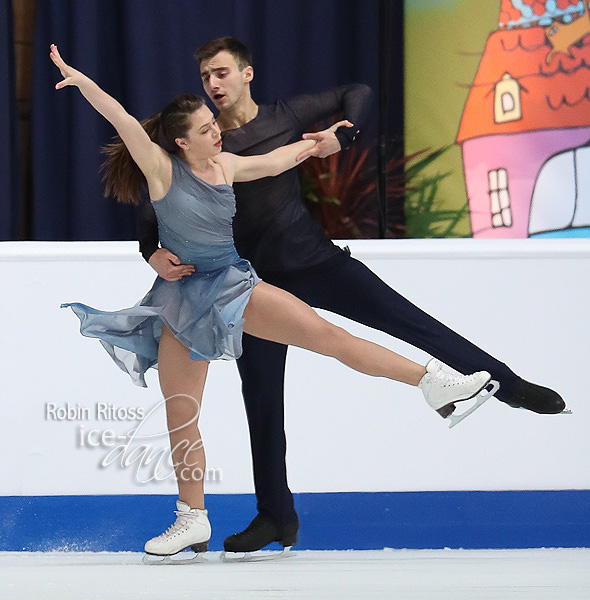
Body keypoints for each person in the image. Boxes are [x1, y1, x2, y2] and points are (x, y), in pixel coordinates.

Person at [50, 44, 495, 561]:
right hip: (180, 302)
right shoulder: (162, 170)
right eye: (204, 129)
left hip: (235, 287)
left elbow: (278, 158)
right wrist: (82, 82)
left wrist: (319, 143)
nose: (217, 131)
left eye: (214, 124)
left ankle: (434, 383)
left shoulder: (226, 165)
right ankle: (191, 520)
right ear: (179, 142)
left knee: (330, 338)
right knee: (181, 413)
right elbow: (122, 118)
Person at [135, 37, 568, 555]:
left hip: (315, 262)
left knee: (409, 322)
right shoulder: (198, 145)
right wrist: (150, 253)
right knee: (263, 400)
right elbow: (157, 206)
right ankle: (276, 516)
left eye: (222, 73)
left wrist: (349, 135)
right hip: (251, 287)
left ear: (247, 74)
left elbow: (356, 92)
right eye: (206, 77)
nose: (213, 84)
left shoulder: (284, 116)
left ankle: (507, 384)